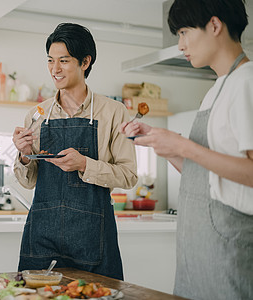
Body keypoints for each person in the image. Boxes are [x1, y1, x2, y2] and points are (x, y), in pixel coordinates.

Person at [121, 0, 253, 298]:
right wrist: (165, 146)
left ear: (215, 26)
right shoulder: (217, 89)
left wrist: (183, 145)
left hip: (229, 250)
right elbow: (203, 176)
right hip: (198, 251)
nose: (181, 45)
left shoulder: (247, 81)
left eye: (183, 32)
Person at [12, 23, 137, 280]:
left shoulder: (113, 112)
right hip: (42, 237)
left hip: (92, 236)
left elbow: (128, 175)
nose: (54, 69)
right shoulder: (37, 115)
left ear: (85, 62)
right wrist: (24, 155)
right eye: (50, 61)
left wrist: (84, 165)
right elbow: (27, 182)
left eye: (64, 61)